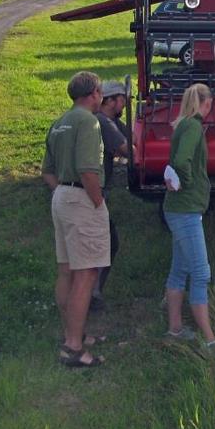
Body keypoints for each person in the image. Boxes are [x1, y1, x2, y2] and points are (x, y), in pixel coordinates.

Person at [42, 71, 109, 368]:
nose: (102, 97)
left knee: (66, 270)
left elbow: (47, 170)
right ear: (93, 93)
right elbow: (88, 169)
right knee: (87, 273)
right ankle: (73, 347)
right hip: (82, 197)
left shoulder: (59, 123)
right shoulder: (88, 122)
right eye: (100, 92)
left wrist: (63, 193)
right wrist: (97, 201)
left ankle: (73, 332)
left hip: (61, 197)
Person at [163, 83, 215, 350]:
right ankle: (209, 339)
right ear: (205, 104)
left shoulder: (183, 124)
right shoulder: (194, 127)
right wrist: (187, 181)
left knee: (180, 269)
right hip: (186, 208)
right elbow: (183, 160)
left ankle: (175, 328)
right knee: (200, 272)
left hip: (177, 207)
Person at [92, 80, 131, 311]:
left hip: (95, 192)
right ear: (112, 100)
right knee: (106, 242)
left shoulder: (112, 121)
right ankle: (92, 294)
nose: (125, 103)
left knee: (106, 241)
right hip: (95, 193)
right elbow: (128, 148)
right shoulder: (104, 122)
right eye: (123, 99)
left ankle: (93, 292)